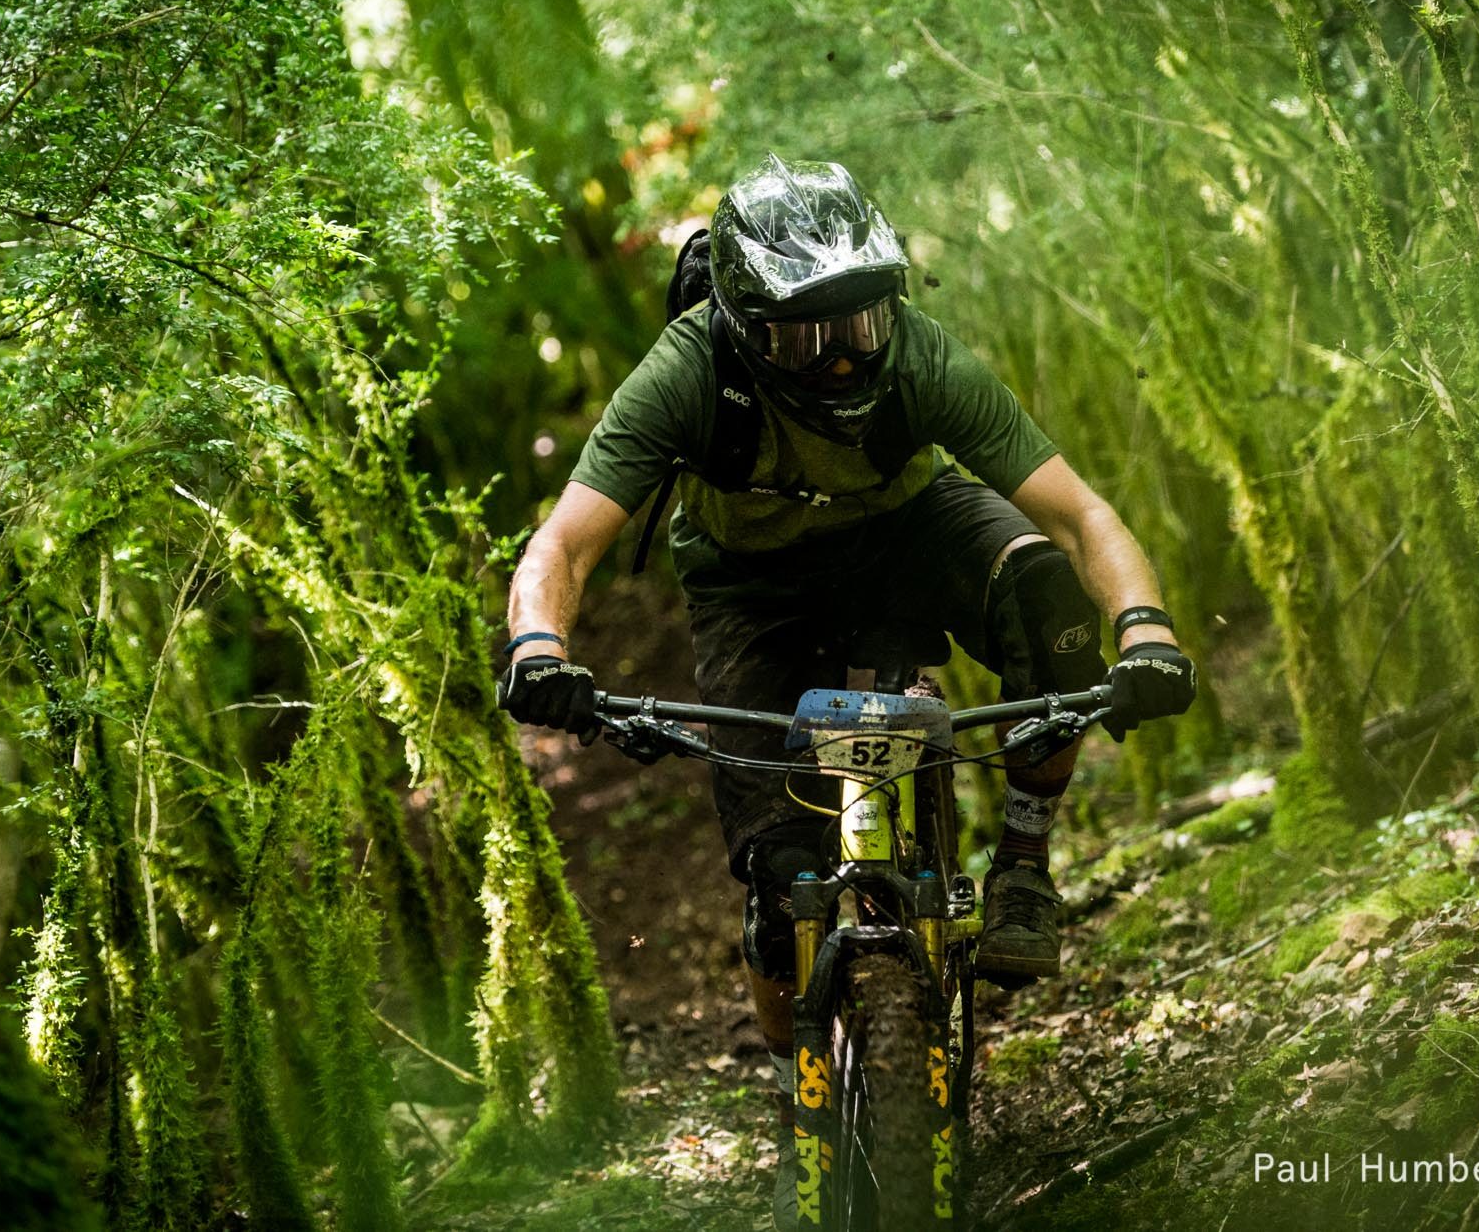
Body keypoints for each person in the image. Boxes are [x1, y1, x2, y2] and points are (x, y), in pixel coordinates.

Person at [498, 153, 1195, 1224]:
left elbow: (1077, 514)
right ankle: (798, 1098)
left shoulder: (917, 360)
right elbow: (565, 544)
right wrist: (538, 650)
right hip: (751, 586)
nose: (835, 363)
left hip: (905, 532)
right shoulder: (686, 374)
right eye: (800, 335)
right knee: (778, 882)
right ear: (740, 325)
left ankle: (1019, 859)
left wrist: (1141, 630)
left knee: (1041, 592)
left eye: (859, 326)